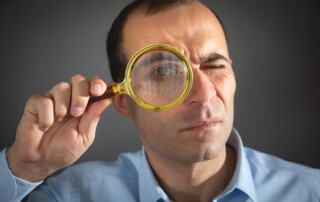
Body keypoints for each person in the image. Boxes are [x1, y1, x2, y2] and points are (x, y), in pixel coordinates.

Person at [0, 0, 319, 201]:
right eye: (164, 71)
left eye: (215, 65)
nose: (205, 94)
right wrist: (26, 168)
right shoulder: (69, 195)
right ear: (123, 100)